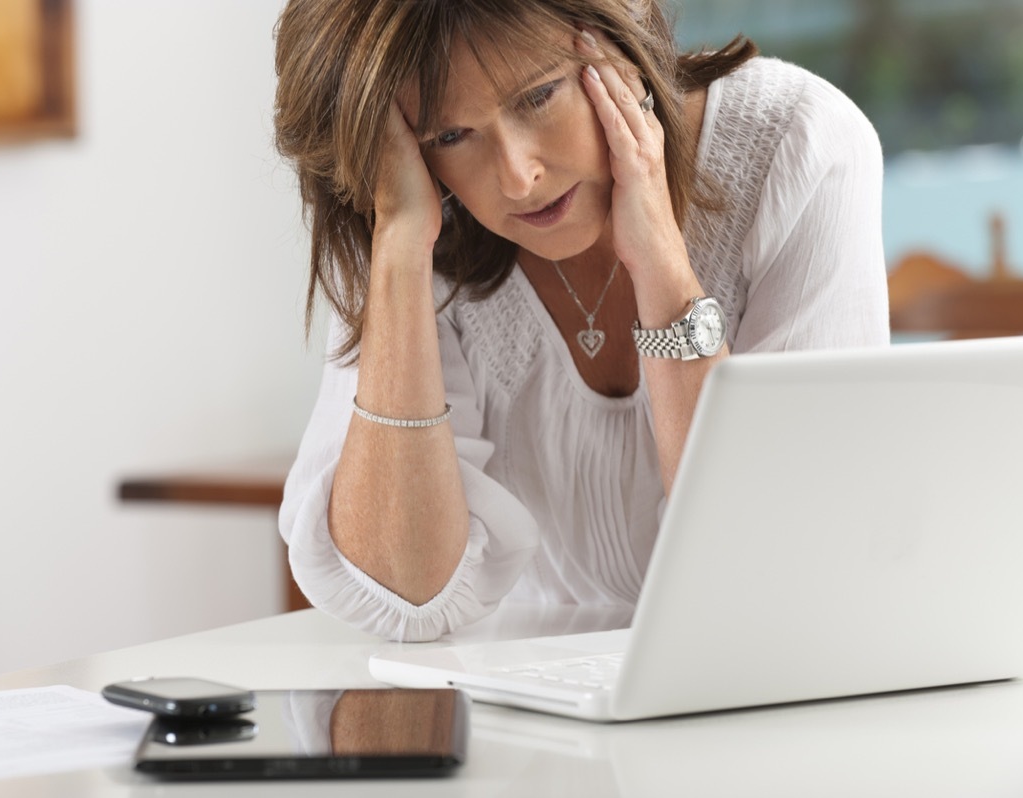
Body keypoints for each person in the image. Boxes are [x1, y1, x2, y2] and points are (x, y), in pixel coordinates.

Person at [273, 0, 889, 642]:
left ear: (626, 23)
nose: (518, 178)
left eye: (538, 96)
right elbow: (406, 593)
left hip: (774, 688)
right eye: (451, 136)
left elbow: (778, 566)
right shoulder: (418, 209)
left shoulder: (797, 144)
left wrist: (662, 267)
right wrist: (400, 242)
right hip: (533, 706)